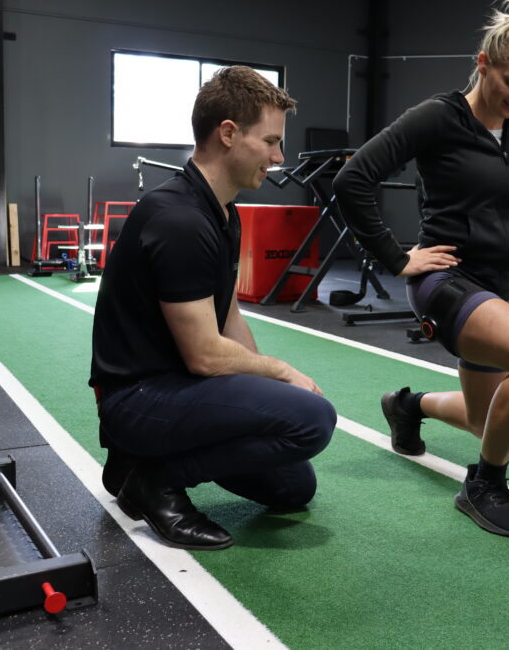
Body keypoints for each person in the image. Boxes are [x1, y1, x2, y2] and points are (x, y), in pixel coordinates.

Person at [333, 0, 509, 539]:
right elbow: (352, 180)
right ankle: (482, 485)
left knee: (487, 420)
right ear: (483, 64)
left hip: (493, 285)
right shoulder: (438, 117)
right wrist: (396, 257)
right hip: (444, 281)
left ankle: (408, 406)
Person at [90, 66, 337, 551]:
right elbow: (205, 355)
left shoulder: (223, 210)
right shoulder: (179, 219)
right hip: (138, 399)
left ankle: (133, 462)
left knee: (293, 488)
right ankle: (155, 479)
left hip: (179, 390)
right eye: (270, 141)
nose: (278, 157)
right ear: (228, 134)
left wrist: (264, 389)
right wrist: (281, 373)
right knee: (312, 419)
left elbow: (228, 318)